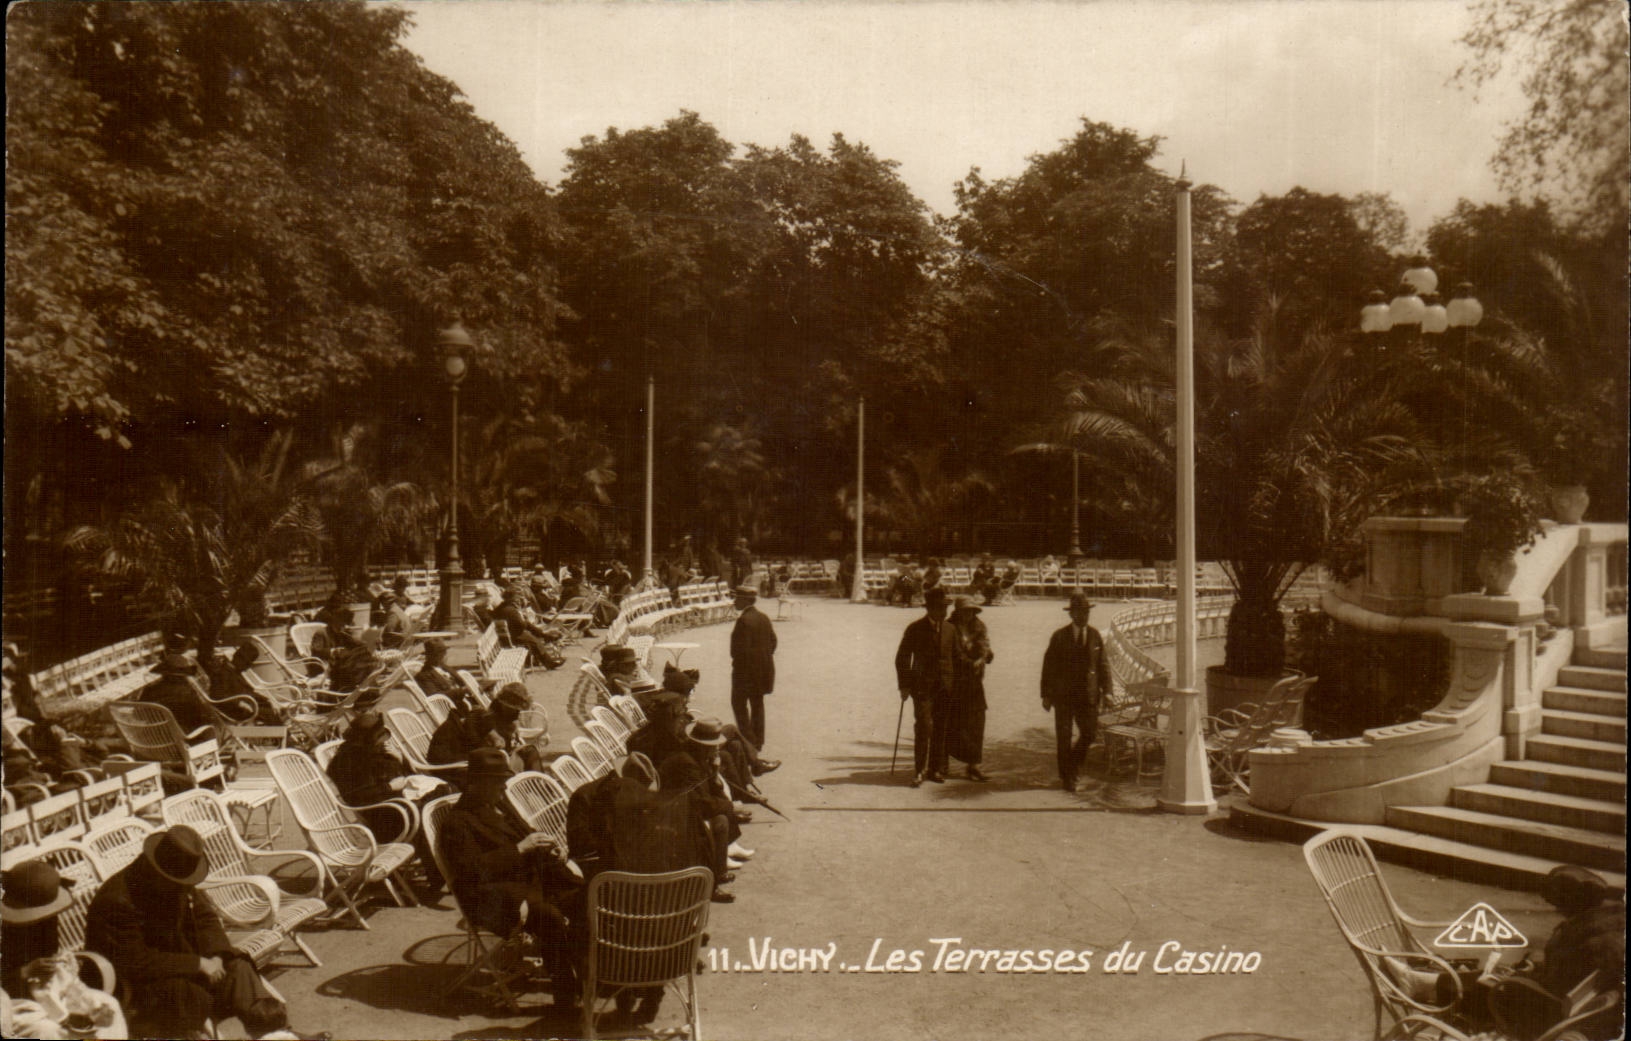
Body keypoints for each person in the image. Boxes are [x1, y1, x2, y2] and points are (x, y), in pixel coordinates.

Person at [86, 825, 319, 1040]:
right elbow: (134, 961)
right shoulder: (117, 900)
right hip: (142, 985)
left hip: (182, 965)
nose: (184, 887)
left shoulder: (171, 879)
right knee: (190, 995)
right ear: (155, 867)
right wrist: (196, 964)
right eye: (178, 882)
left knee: (238, 967)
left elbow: (204, 917)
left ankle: (276, 1034)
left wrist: (216, 956)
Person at [440, 747, 583, 1009]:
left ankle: (589, 975)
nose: (502, 789)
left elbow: (525, 832)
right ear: (476, 784)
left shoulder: (497, 804)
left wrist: (544, 844)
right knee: (548, 916)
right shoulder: (457, 822)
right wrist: (519, 848)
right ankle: (565, 994)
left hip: (523, 881)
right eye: (496, 783)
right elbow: (471, 871)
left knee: (581, 898)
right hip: (491, 896)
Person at [2, 859, 127, 1039]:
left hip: (51, 992)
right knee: (48, 1031)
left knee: (108, 1005)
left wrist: (62, 970)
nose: (45, 918)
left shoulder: (47, 920)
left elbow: (53, 962)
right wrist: (23, 973)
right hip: (14, 1003)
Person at [658, 718, 744, 903]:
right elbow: (703, 804)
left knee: (721, 814)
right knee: (720, 819)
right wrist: (729, 806)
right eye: (713, 746)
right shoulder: (687, 764)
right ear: (702, 745)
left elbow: (710, 793)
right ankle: (712, 884)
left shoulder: (696, 757)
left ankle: (719, 871)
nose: (717, 749)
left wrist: (714, 771)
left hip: (683, 806)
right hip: (673, 812)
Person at [1040, 592, 1112, 792]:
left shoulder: (1095, 635)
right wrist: (1046, 694)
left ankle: (1072, 764)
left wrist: (1107, 691)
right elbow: (1048, 667)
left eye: (1086, 612)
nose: (1084, 616)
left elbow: (1103, 665)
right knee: (1064, 737)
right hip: (1063, 696)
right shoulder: (1059, 636)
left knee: (1089, 733)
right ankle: (1067, 778)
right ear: (1071, 615)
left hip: (1088, 695)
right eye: (1080, 612)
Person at [894, 587, 954, 786]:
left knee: (940, 728)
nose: (943, 612)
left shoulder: (950, 629)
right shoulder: (915, 628)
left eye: (945, 608)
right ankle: (919, 771)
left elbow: (957, 657)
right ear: (929, 609)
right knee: (924, 727)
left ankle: (935, 769)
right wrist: (904, 685)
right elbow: (902, 657)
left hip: (945, 687)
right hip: (922, 688)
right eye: (939, 608)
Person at [427, 682, 543, 773]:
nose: (517, 715)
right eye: (514, 710)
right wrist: (495, 738)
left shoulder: (499, 718)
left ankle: (542, 785)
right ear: (504, 706)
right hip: (459, 761)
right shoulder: (480, 718)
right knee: (504, 762)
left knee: (530, 751)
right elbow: (477, 746)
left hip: (488, 757)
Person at [946, 596, 994, 781]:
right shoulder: (949, 627)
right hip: (954, 681)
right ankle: (942, 764)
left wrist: (985, 656)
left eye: (971, 611)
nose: (968, 614)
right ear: (958, 612)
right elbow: (953, 654)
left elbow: (986, 649)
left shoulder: (979, 627)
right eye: (964, 611)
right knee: (952, 722)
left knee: (977, 720)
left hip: (974, 682)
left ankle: (973, 765)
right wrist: (971, 662)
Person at [729, 584, 777, 750]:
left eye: (737, 598)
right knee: (757, 705)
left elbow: (737, 651)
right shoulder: (763, 617)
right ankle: (758, 740)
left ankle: (748, 740)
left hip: (745, 674)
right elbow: (773, 642)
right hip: (763, 671)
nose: (734, 602)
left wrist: (743, 667)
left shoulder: (743, 621)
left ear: (744, 600)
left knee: (738, 705)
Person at [138, 652, 213, 736]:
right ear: (183, 676)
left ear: (163, 673)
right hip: (185, 738)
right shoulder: (187, 692)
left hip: (155, 738)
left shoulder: (149, 689)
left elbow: (138, 715)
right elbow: (203, 718)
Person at [492, 587, 565, 670]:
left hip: (509, 633)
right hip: (514, 635)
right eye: (516, 597)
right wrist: (524, 620)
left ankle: (545, 638)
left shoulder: (503, 607)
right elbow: (521, 625)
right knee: (534, 641)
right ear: (511, 598)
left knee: (531, 633)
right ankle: (549, 661)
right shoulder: (510, 610)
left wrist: (524, 621)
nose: (518, 599)